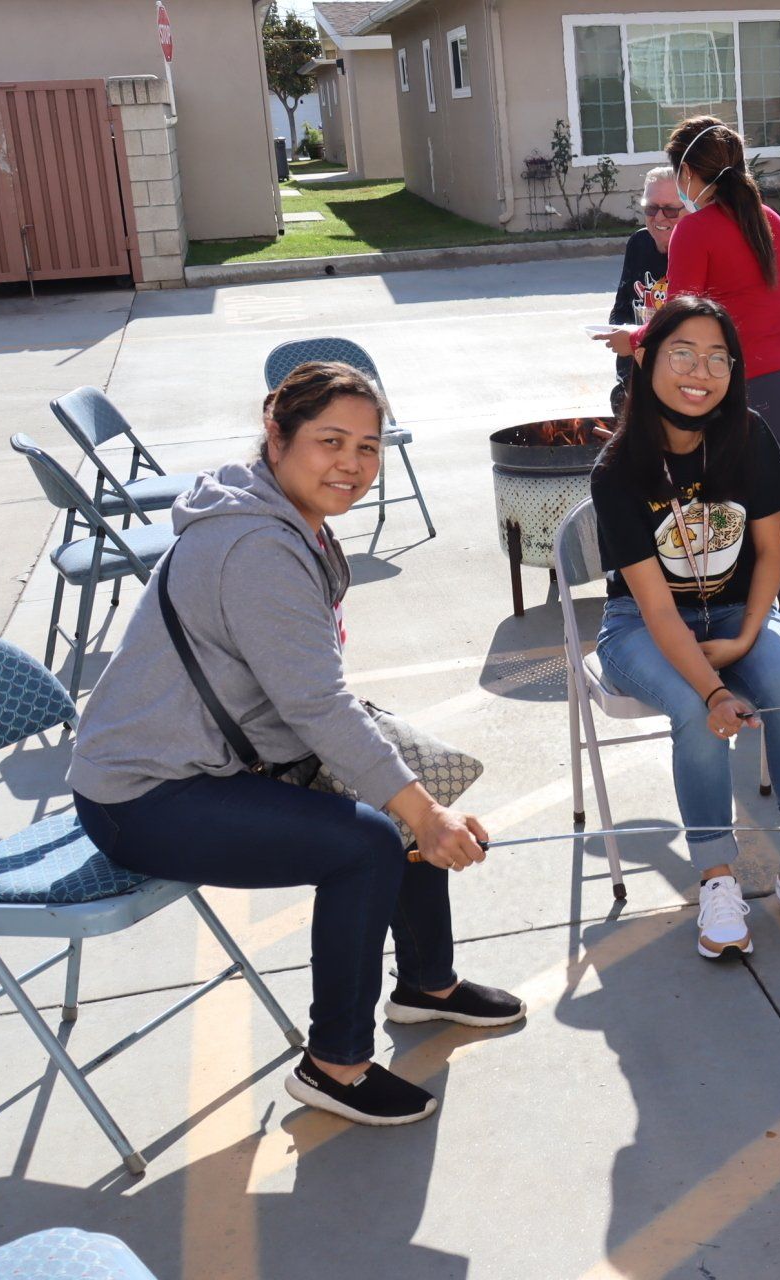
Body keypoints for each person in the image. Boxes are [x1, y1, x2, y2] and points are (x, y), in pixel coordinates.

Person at [69, 362, 523, 1127]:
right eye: (330, 441)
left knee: (403, 789)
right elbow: (317, 705)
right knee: (373, 840)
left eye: (369, 447)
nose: (352, 463)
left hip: (217, 758)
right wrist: (417, 812)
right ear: (276, 439)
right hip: (145, 796)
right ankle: (335, 1066)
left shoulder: (279, 519)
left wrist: (407, 793)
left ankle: (426, 987)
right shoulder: (257, 548)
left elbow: (301, 694)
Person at [589, 295, 780, 958]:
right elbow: (658, 608)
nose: (702, 370)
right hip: (639, 621)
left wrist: (748, 638)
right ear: (649, 361)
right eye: (684, 353)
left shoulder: (745, 433)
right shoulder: (616, 472)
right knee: (696, 711)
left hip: (737, 609)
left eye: (719, 357)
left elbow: (775, 551)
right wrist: (718, 690)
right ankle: (717, 877)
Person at [596, 117, 780, 664]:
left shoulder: (696, 230)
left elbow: (680, 319)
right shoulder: (770, 220)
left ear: (689, 174)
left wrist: (634, 340)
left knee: (732, 513)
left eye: (678, 177)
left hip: (754, 387)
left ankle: (748, 628)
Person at [606, 166, 684, 409]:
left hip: (679, 383)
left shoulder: (695, 250)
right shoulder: (639, 242)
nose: (659, 218)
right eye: (651, 208)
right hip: (634, 380)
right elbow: (622, 308)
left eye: (670, 210)